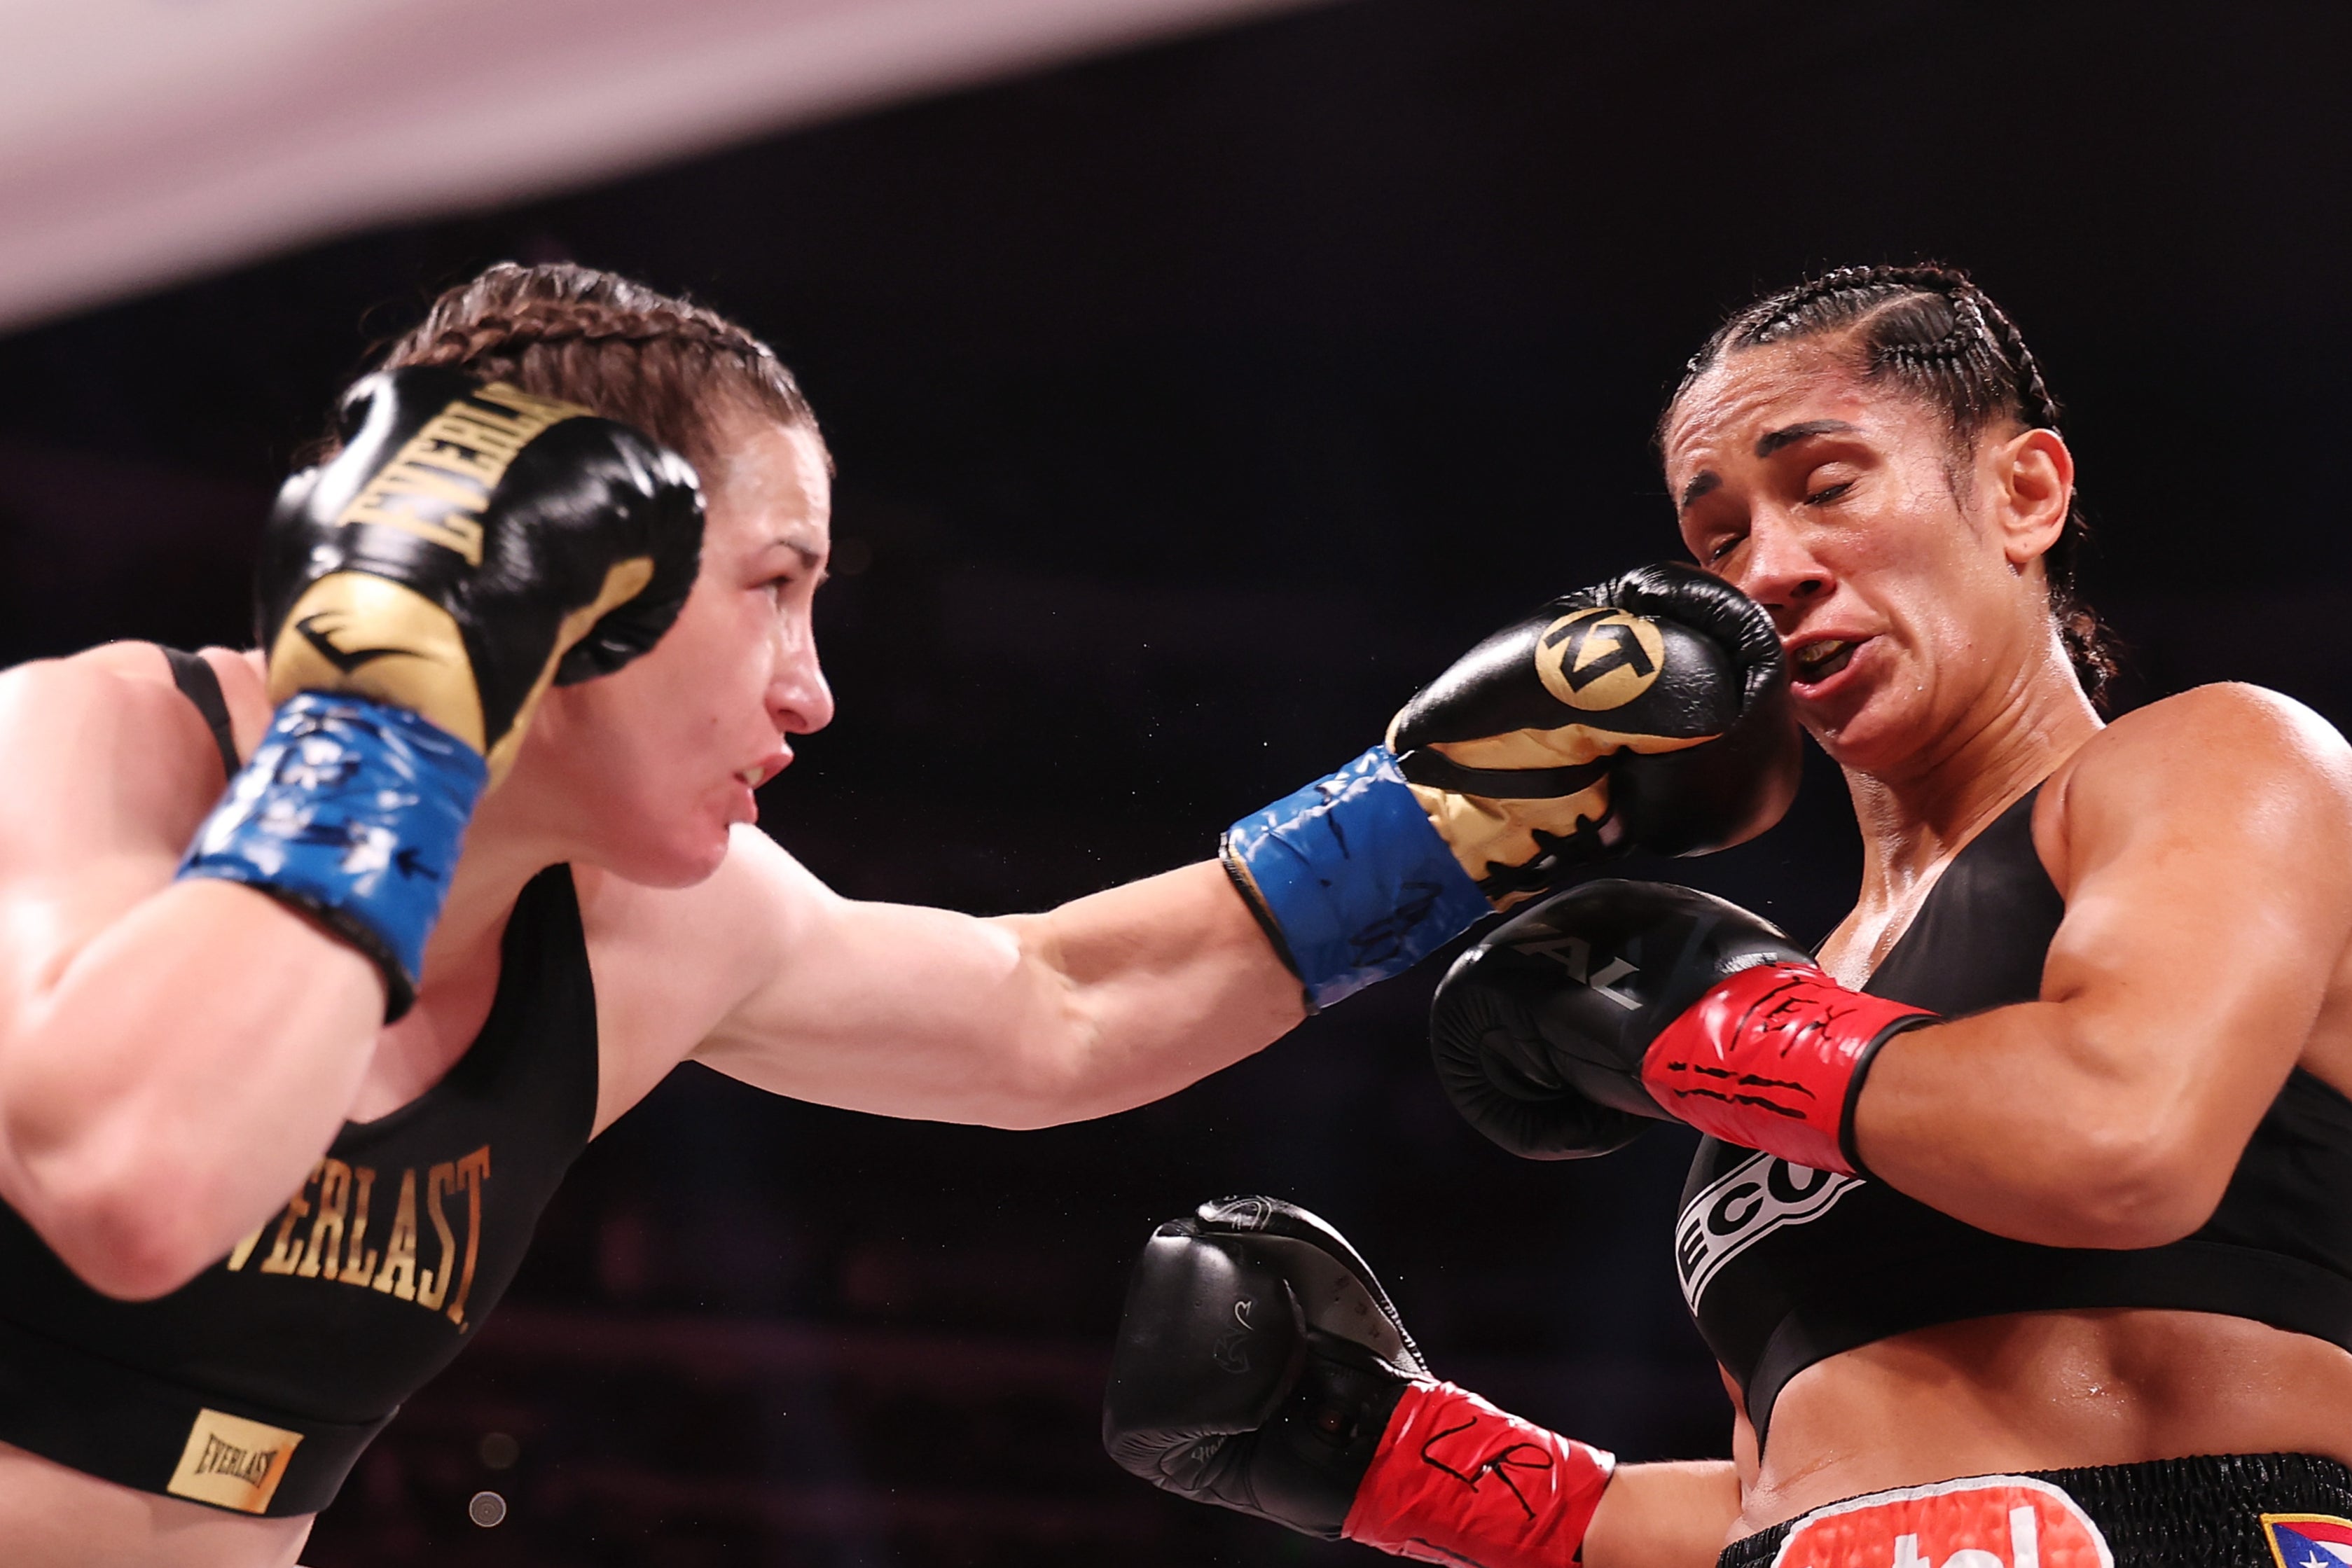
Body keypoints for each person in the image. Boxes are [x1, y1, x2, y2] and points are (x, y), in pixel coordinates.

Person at [0, 261, 1797, 1565]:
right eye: (774, 589)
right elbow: (132, 1184)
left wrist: (1450, 823)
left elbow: (1050, 1011)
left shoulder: (639, 922)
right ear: (573, 579)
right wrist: (407, 698)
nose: (810, 691)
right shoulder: (77, 750)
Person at [1102, 264, 2352, 1568]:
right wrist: (1398, 1460)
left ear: (2021, 492)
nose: (1770, 569)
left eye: (1826, 487)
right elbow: (1798, 1496)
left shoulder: (2215, 762)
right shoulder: (1801, 996)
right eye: (1717, 542)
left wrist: (1713, 1019)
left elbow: (2121, 1137)